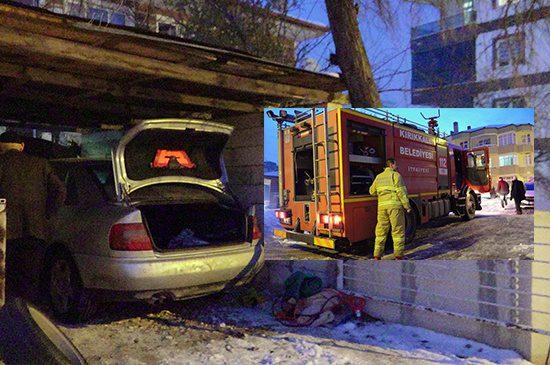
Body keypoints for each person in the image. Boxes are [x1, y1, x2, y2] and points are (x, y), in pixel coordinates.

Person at [0, 131, 66, 297]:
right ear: (21, 146)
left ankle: (8, 313)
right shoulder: (41, 164)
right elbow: (60, 190)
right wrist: (47, 214)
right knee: (30, 278)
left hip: (4, 233)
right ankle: (28, 313)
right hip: (35, 232)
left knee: (6, 278)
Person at [369, 158, 411, 260]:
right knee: (398, 231)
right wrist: (407, 206)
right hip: (394, 207)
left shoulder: (379, 177)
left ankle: (377, 255)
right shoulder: (396, 175)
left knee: (381, 231)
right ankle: (398, 256)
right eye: (395, 165)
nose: (396, 167)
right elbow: (401, 192)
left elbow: (372, 191)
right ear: (391, 165)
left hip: (382, 208)